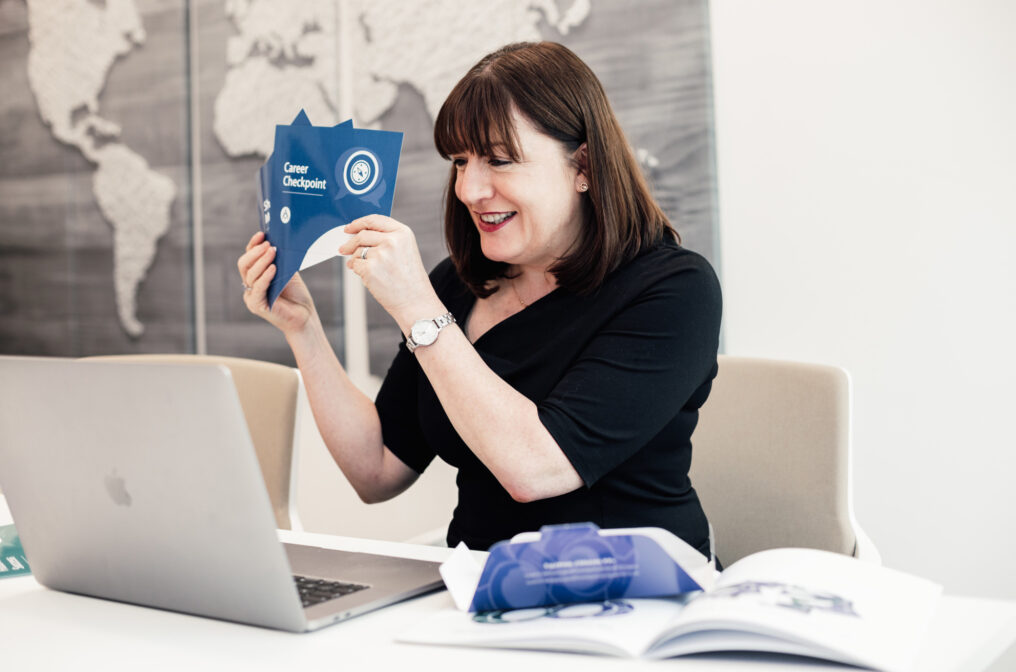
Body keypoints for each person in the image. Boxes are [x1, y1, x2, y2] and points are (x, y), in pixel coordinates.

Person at [237, 42, 722, 556]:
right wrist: (303, 328)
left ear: (583, 166)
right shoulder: (459, 284)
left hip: (629, 597)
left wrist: (418, 310)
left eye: (498, 159)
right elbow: (376, 469)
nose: (469, 189)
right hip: (479, 594)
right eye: (461, 161)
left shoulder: (675, 290)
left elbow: (535, 468)